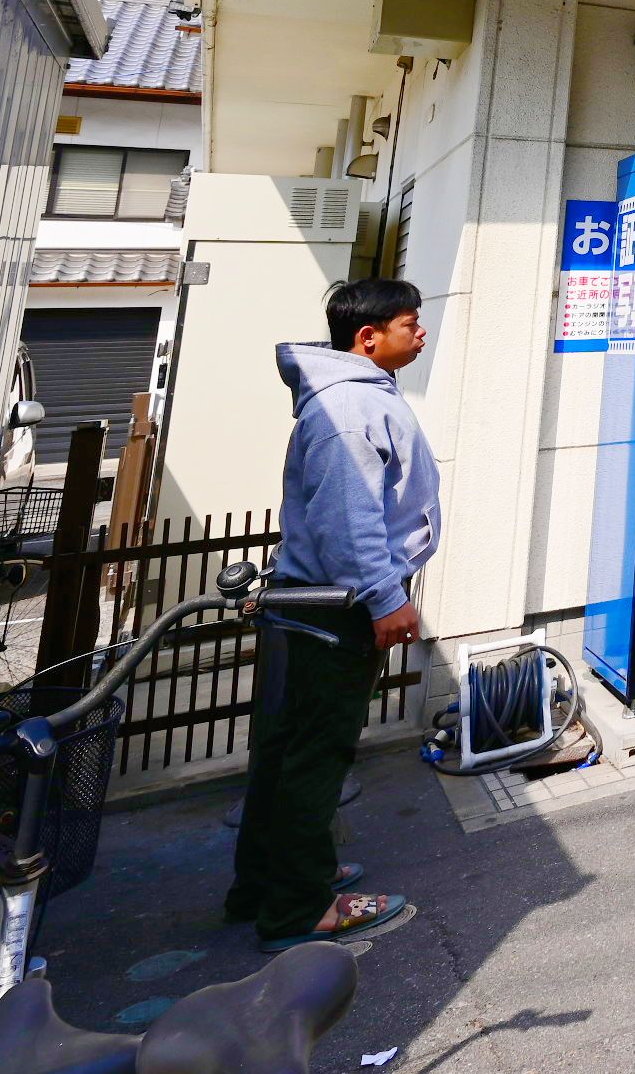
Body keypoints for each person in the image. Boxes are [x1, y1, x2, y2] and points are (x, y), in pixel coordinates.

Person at [226, 277, 442, 950]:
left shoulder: (354, 395)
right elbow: (351, 521)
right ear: (368, 337)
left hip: (316, 601)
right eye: (411, 323)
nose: (422, 332)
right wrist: (386, 597)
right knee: (319, 752)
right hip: (338, 607)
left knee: (289, 750)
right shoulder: (350, 407)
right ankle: (299, 907)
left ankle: (269, 879)